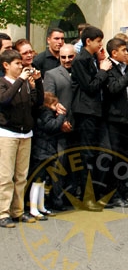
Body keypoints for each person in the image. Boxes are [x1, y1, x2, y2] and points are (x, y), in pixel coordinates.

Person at [0, 49, 44, 228]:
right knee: (5, 176)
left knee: (21, 176)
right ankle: (3, 212)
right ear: (6, 65)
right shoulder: (3, 82)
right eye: (17, 63)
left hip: (26, 133)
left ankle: (17, 211)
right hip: (7, 133)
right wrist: (20, 80)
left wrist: (38, 82)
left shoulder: (25, 83)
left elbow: (37, 102)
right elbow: (4, 100)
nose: (22, 66)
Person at [70, 25, 112, 209]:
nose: (100, 45)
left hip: (98, 112)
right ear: (88, 41)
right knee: (87, 155)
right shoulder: (80, 60)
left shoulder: (94, 58)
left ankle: (97, 193)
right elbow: (90, 86)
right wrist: (102, 70)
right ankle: (86, 197)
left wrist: (101, 65)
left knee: (104, 153)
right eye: (98, 41)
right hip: (86, 111)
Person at [104, 37, 128, 207]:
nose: (126, 54)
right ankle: (114, 193)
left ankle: (124, 190)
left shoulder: (123, 68)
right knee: (114, 157)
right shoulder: (109, 68)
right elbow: (114, 88)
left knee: (125, 157)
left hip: (125, 118)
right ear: (114, 53)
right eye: (124, 51)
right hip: (113, 118)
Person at [43, 44, 76, 210]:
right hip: (61, 126)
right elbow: (50, 101)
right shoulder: (51, 74)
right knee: (60, 164)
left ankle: (71, 197)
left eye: (70, 57)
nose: (67, 60)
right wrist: (61, 121)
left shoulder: (80, 73)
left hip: (79, 126)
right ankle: (57, 200)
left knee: (75, 163)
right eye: (63, 57)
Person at [30, 92, 67, 220]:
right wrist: (61, 116)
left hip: (45, 150)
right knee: (37, 180)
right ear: (48, 104)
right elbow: (52, 126)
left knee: (42, 180)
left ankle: (40, 206)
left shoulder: (45, 114)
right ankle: (34, 208)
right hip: (42, 151)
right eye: (55, 104)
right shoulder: (45, 114)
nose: (57, 106)